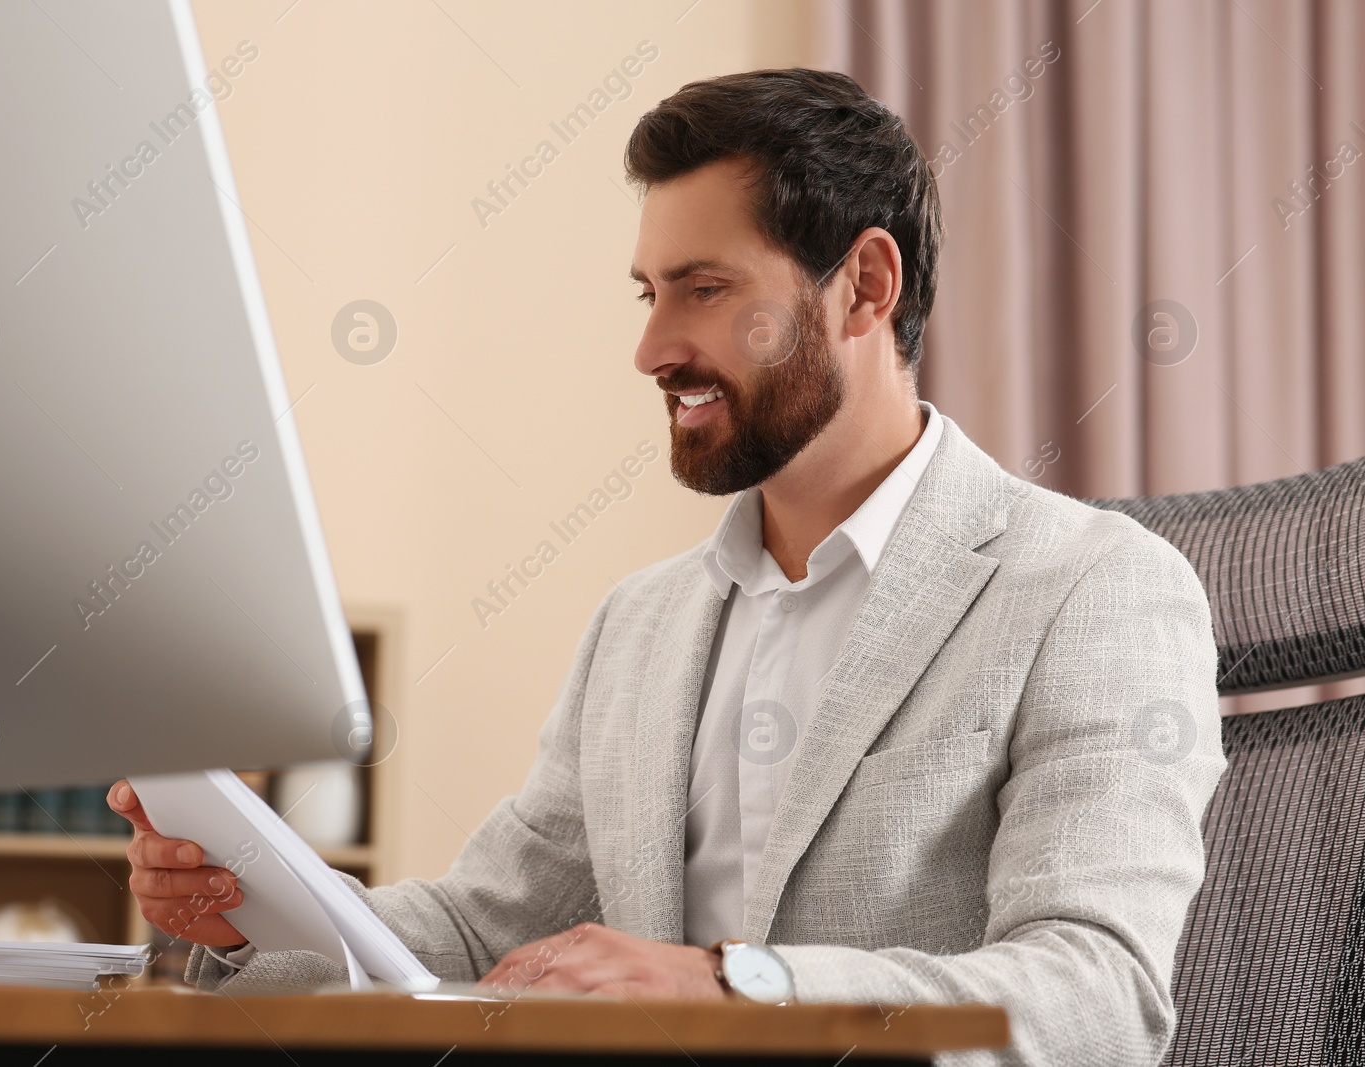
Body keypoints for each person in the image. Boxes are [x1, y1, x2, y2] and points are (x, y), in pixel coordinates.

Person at [109, 69, 1224, 1066]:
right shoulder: (641, 623)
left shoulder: (1090, 587)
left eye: (703, 288)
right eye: (650, 294)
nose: (651, 349)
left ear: (865, 286)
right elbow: (473, 930)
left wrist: (730, 983)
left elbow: (1099, 996)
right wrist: (244, 914)